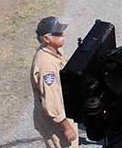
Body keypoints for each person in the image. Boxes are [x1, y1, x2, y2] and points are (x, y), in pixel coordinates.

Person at [30, 16, 79, 148]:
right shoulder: (46, 66)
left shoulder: (55, 50)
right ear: (46, 39)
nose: (63, 34)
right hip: (55, 122)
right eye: (58, 33)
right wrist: (66, 127)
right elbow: (51, 102)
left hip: (64, 111)